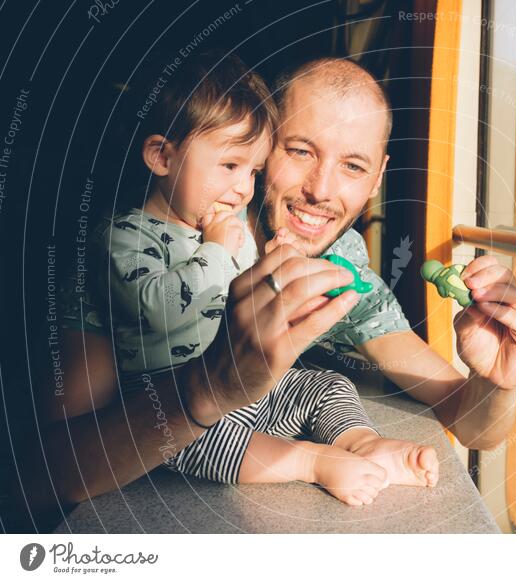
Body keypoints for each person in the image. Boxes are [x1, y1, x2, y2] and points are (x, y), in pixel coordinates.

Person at [27, 56, 516, 521]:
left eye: (353, 166)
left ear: (377, 178)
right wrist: (206, 389)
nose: (321, 189)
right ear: (263, 146)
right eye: (300, 151)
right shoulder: (136, 249)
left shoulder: (339, 269)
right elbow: (50, 475)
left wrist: (497, 380)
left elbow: (475, 426)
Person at [95, 51, 438, 507]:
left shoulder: (272, 241)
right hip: (176, 397)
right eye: (299, 151)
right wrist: (220, 250)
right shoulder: (126, 236)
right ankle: (311, 460)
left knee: (326, 385)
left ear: (377, 177)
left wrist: (267, 265)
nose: (241, 189)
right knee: (199, 440)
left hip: (253, 392)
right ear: (161, 156)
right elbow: (158, 306)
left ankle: (359, 442)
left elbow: (444, 387)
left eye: (252, 172)